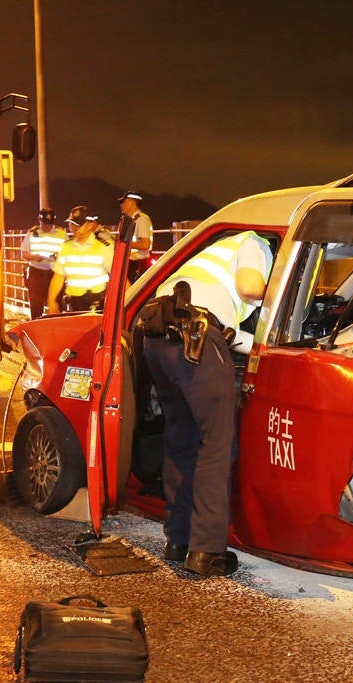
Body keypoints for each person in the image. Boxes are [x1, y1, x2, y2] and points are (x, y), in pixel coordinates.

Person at [142, 231, 273, 577]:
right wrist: (277, 288)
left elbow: (228, 328)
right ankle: (208, 550)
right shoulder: (255, 243)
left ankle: (179, 540)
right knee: (216, 444)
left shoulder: (216, 249)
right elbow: (250, 288)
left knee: (181, 437)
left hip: (159, 334)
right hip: (195, 335)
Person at [46, 206, 115, 313]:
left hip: (95, 306)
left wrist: (128, 301)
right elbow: (58, 277)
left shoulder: (104, 247)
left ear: (90, 225)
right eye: (71, 224)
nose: (74, 228)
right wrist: (51, 300)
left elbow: (118, 276)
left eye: (78, 225)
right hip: (72, 305)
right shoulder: (65, 247)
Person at [19, 208, 67, 319]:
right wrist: (34, 257)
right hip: (36, 276)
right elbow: (23, 254)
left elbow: (67, 253)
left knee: (56, 309)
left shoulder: (62, 233)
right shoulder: (32, 233)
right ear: (39, 220)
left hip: (54, 276)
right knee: (36, 310)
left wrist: (59, 257)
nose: (47, 227)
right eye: (45, 224)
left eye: (50, 224)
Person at [118, 190, 153, 283]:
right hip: (131, 263)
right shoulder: (130, 220)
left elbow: (145, 245)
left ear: (132, 203)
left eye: (124, 202)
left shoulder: (141, 219)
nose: (121, 205)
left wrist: (123, 244)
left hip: (138, 265)